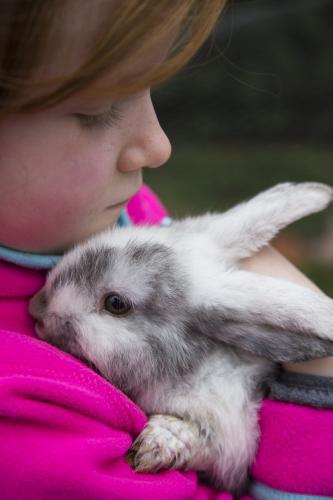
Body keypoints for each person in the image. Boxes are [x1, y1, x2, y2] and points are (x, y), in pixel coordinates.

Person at [0, 1, 332, 498]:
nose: (158, 145)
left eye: (150, 90)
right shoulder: (26, 423)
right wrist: (321, 378)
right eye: (95, 110)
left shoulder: (115, 214)